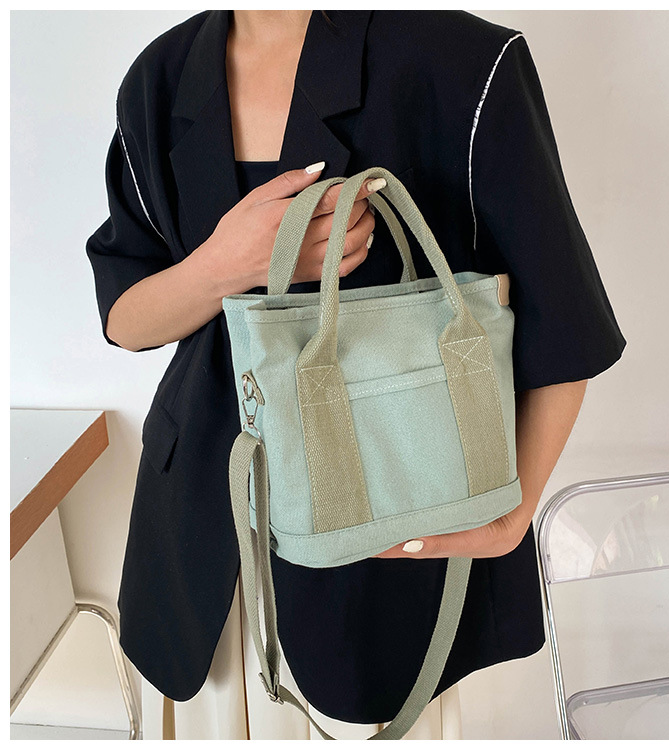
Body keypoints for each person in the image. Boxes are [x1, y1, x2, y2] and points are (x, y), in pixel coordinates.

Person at [86, 10, 626, 739]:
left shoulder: (461, 61)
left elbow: (563, 318)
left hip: (386, 546)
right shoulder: (160, 77)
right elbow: (125, 316)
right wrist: (224, 266)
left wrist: (511, 515)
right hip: (202, 540)